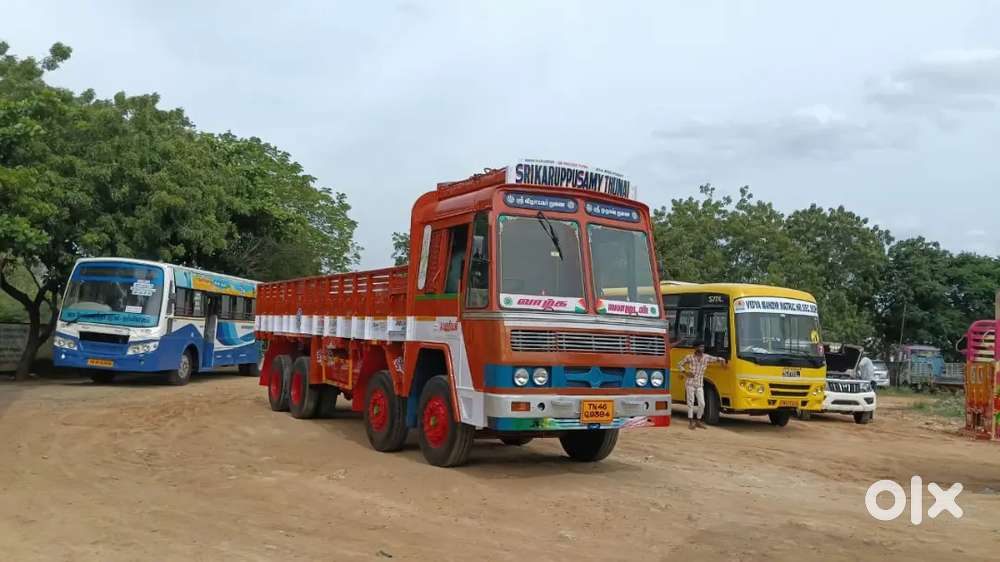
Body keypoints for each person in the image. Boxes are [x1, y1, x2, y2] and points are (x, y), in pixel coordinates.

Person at [678, 340, 727, 430]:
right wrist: (685, 372)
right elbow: (679, 364)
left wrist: (722, 361)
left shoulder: (706, 357)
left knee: (702, 404)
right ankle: (691, 422)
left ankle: (698, 421)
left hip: (699, 384)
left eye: (703, 347)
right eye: (700, 347)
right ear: (695, 348)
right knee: (690, 403)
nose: (702, 348)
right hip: (690, 383)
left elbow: (717, 359)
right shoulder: (689, 357)